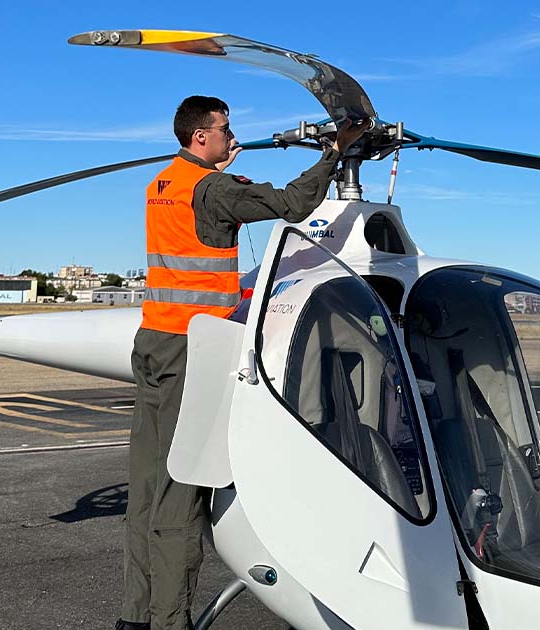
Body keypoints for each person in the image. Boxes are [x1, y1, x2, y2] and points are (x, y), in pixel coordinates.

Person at [118, 95, 368, 630]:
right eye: (225, 129)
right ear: (200, 137)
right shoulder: (212, 189)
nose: (234, 137)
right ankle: (169, 621)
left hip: (154, 341)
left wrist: (222, 171)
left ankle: (135, 615)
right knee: (182, 494)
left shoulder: (165, 184)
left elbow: (204, 219)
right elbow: (294, 203)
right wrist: (334, 155)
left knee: (145, 487)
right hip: (193, 347)